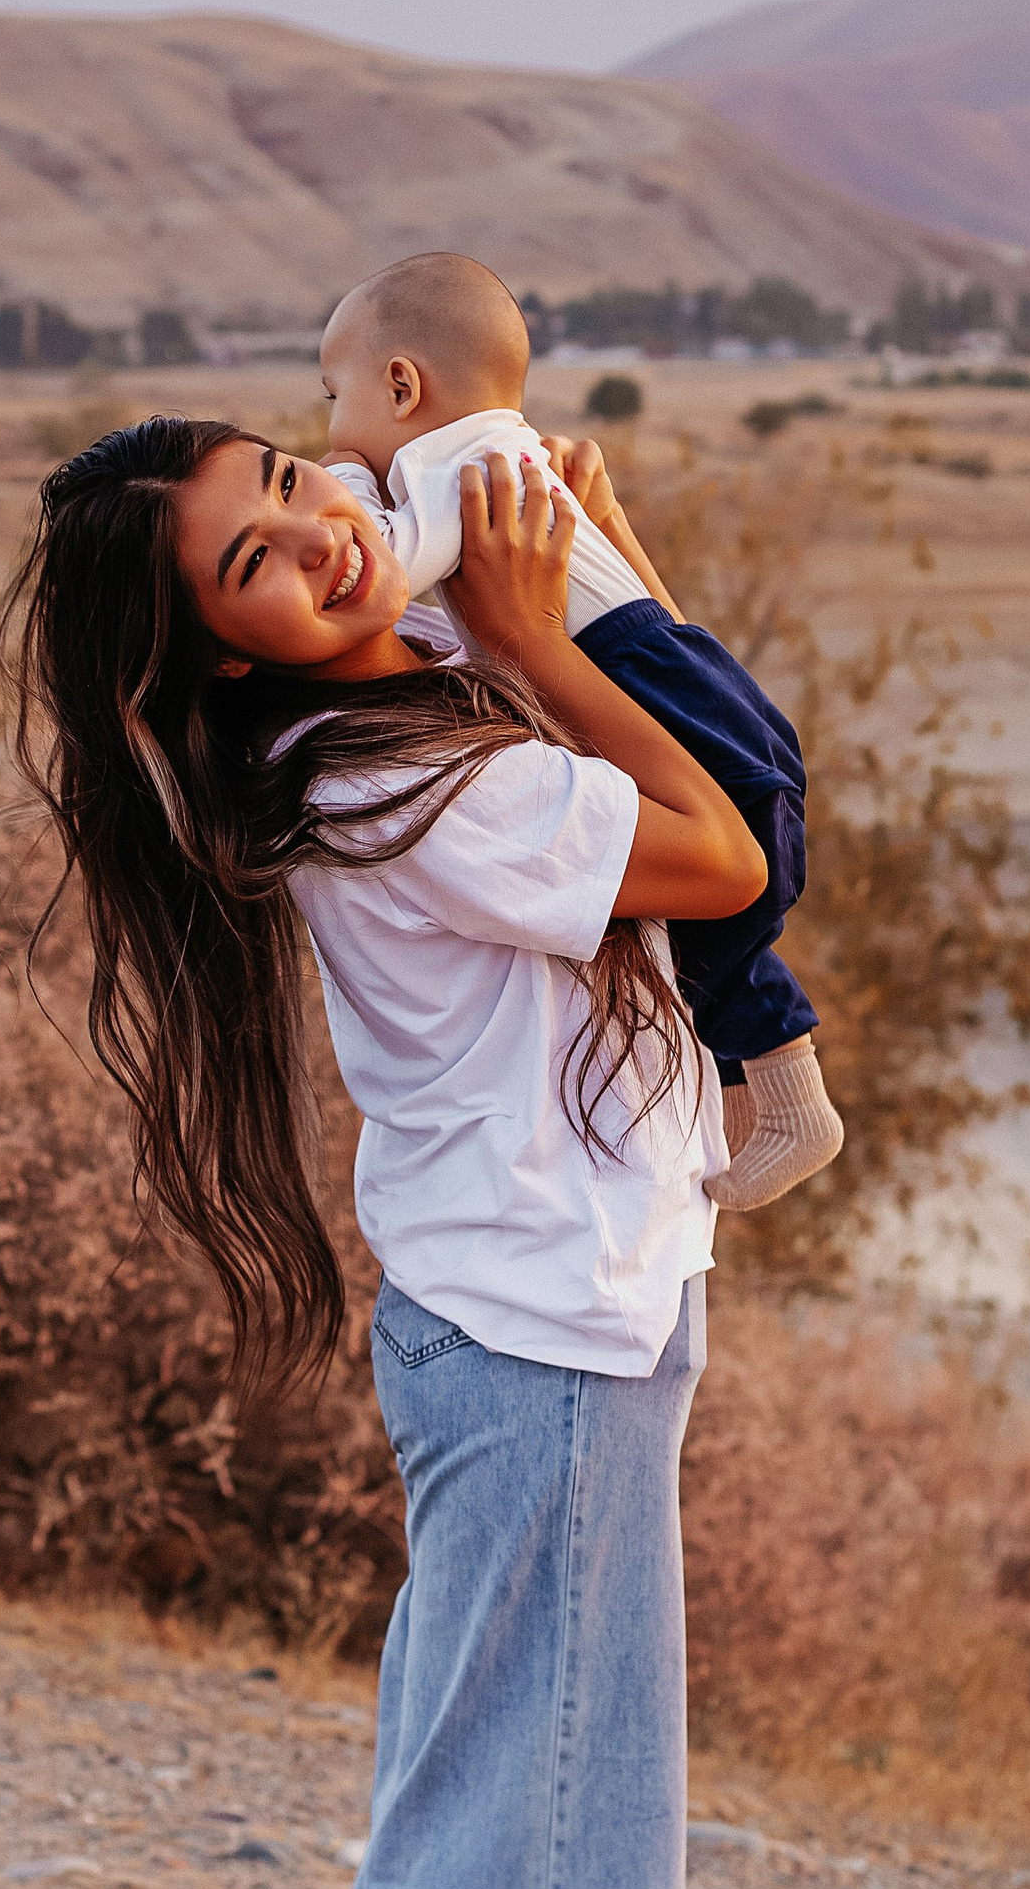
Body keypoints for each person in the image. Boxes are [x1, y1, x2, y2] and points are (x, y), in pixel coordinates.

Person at [1, 411, 768, 1889]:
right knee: (549, 1859)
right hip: (545, 1339)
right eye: (252, 559)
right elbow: (723, 853)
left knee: (466, 1834)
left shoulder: (362, 736)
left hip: (507, 1325)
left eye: (302, 490)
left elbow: (448, 497)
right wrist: (541, 622)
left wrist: (553, 542)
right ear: (215, 657)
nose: (317, 545)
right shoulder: (406, 773)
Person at [318, 251, 843, 1211]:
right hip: (690, 676)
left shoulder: (458, 469)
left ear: (401, 385)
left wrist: (344, 476)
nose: (332, 428)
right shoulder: (512, 453)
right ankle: (773, 1091)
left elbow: (383, 569)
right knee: (694, 923)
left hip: (650, 684)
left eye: (334, 396)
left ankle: (784, 1094)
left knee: (679, 924)